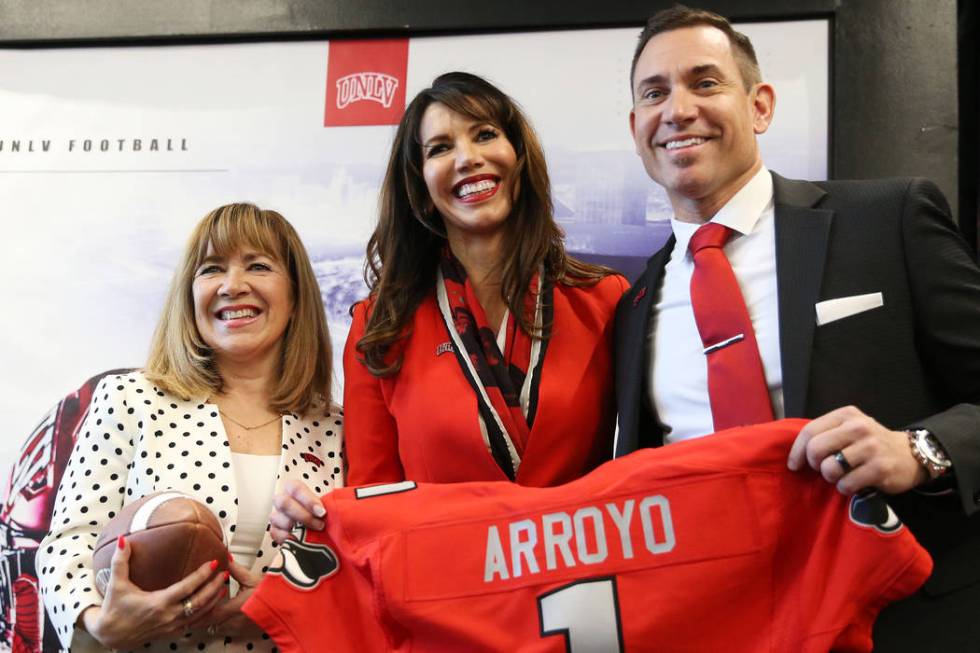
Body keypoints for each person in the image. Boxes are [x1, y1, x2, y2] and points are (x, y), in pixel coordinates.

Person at [612, 5, 980, 649]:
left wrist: (920, 450)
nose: (677, 110)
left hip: (907, 619)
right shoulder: (633, 302)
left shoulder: (888, 219)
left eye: (705, 83)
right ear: (636, 126)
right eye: (654, 93)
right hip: (728, 628)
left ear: (760, 107)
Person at [270, 72, 627, 541]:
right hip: (443, 598)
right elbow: (373, 504)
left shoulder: (604, 300)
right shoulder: (379, 329)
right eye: (440, 148)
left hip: (583, 592)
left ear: (518, 157)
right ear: (420, 185)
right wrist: (311, 520)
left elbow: (644, 468)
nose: (467, 158)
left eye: (485, 135)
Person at [37, 203, 343, 652]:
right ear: (189, 295)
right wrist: (98, 620)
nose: (233, 286)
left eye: (258, 265)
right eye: (211, 269)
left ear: (296, 297)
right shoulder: (129, 398)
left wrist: (289, 602)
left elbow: (366, 568)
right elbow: (68, 542)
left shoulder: (337, 428)